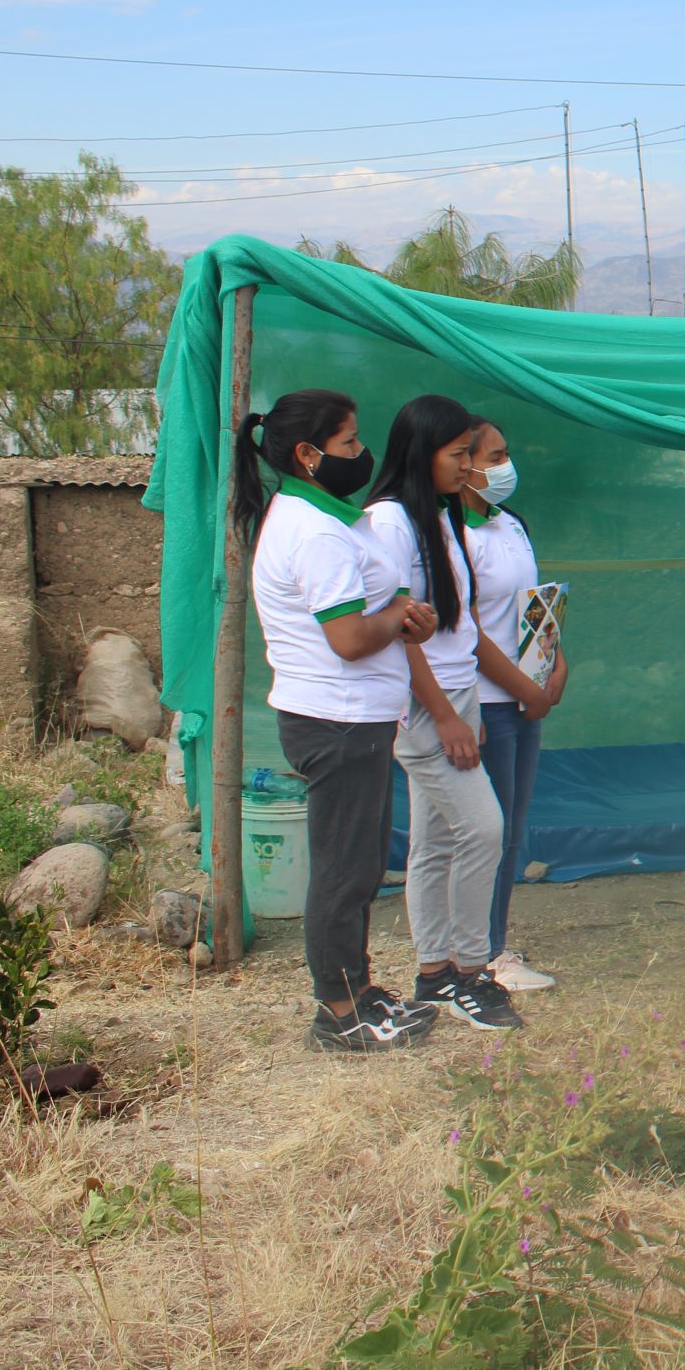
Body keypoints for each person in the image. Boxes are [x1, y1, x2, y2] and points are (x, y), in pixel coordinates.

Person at [235, 389, 440, 1052]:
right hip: (337, 719)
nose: (362, 454)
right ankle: (337, 1010)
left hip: (356, 718)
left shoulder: (326, 516)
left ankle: (358, 987)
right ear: (307, 454)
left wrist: (402, 608)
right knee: (343, 871)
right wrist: (402, 618)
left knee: (357, 862)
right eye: (350, 443)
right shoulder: (315, 530)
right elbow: (349, 637)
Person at [366, 395, 521, 1030]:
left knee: (432, 844)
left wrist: (466, 705)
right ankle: (468, 971)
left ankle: (433, 975)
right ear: (420, 451)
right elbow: (402, 634)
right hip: (427, 706)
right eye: (458, 454)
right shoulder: (390, 523)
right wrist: (445, 714)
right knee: (483, 829)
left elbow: (452, 627)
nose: (467, 467)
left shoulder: (436, 516)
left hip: (454, 697)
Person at [459, 415, 567, 994]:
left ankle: (492, 943)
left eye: (506, 453)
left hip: (525, 699)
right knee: (486, 831)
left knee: (512, 829)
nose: (504, 466)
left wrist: (554, 664)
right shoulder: (452, 532)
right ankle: (479, 954)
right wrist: (522, 688)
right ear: (463, 462)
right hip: (484, 700)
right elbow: (466, 631)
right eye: (492, 456)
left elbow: (534, 606)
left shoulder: (510, 524)